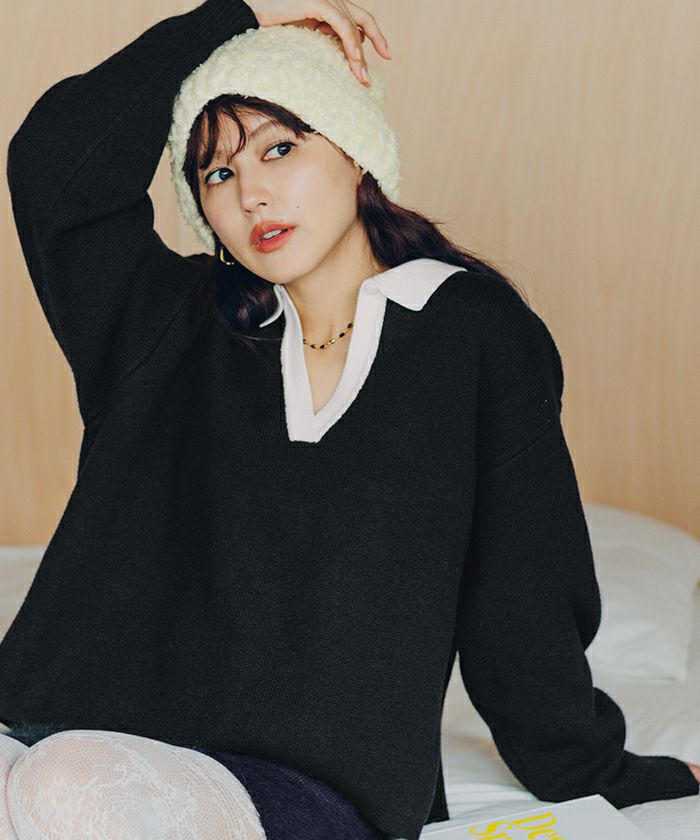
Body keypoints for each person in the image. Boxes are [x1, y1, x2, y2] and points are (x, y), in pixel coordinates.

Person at [2, 0, 699, 838]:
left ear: (354, 146)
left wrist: (598, 772)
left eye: (280, 148)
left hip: (296, 787)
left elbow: (522, 597)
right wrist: (236, 13)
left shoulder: (474, 335)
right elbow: (54, 164)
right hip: (49, 730)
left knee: (66, 787)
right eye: (216, 174)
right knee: (49, 775)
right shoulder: (166, 324)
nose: (251, 193)